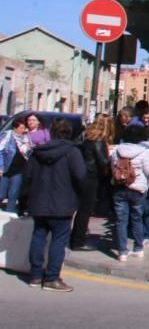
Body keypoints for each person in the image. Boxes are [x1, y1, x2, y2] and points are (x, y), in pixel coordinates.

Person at [24, 117, 85, 291]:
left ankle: (35, 275)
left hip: (39, 201)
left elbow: (27, 177)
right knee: (59, 240)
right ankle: (51, 277)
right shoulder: (72, 152)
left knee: (38, 236)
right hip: (63, 202)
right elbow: (80, 176)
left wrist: (25, 200)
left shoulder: (38, 152)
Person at [110, 124, 149, 262]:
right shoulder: (144, 152)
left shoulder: (116, 151)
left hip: (119, 188)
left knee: (120, 220)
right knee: (137, 218)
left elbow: (112, 166)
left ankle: (122, 251)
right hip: (138, 189)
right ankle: (138, 248)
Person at [70, 113, 113, 250]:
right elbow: (103, 161)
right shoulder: (99, 141)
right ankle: (78, 241)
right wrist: (111, 156)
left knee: (81, 209)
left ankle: (76, 237)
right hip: (92, 177)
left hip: (83, 175)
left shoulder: (87, 137)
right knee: (85, 209)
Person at [0, 116, 31, 213]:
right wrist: (0, 167)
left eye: (24, 128)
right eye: (21, 128)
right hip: (6, 168)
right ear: (15, 128)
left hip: (19, 169)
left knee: (14, 192)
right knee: (1, 193)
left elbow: (28, 155)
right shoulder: (7, 137)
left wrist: (29, 148)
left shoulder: (26, 139)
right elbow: (0, 152)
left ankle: (10, 210)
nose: (23, 130)